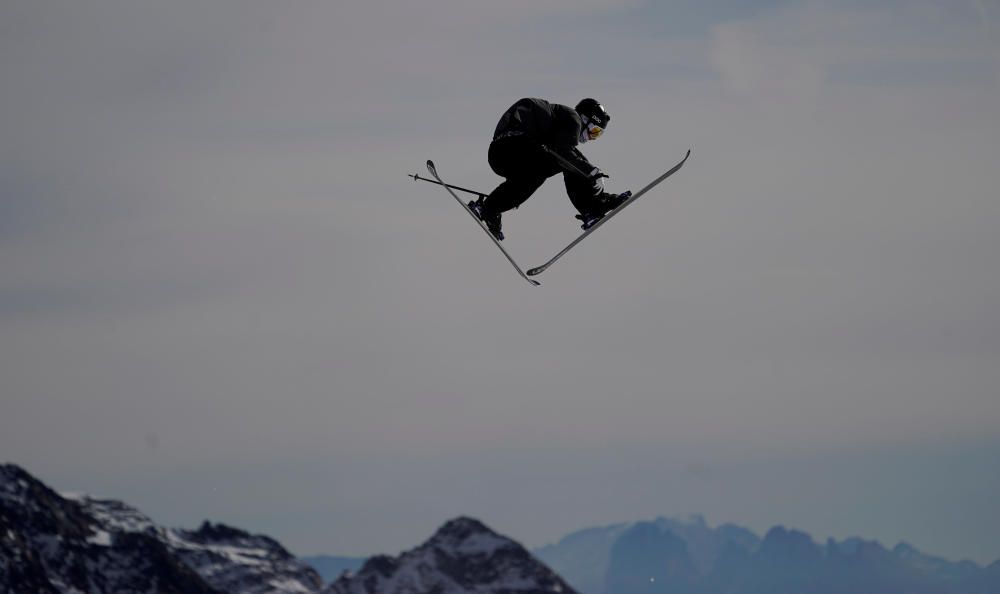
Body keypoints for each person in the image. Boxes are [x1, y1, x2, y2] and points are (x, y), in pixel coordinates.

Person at [468, 98, 631, 241]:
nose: (591, 138)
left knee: (532, 178)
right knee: (565, 161)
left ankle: (490, 208)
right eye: (594, 131)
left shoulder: (558, 128)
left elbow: (564, 153)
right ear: (585, 119)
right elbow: (565, 154)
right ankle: (592, 208)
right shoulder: (573, 119)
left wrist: (587, 171)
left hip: (499, 155)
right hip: (516, 145)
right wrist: (591, 172)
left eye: (597, 135)